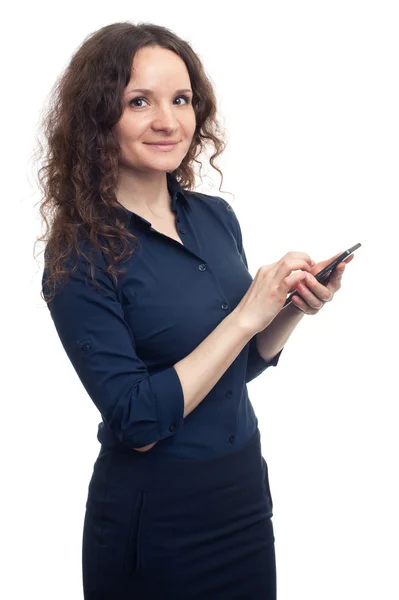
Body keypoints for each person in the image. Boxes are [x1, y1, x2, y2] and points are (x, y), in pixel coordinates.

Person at [37, 21, 352, 600]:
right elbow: (136, 422)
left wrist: (288, 311)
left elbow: (235, 369)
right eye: (139, 102)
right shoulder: (79, 255)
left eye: (181, 99)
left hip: (241, 504)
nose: (169, 121)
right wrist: (245, 317)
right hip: (153, 524)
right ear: (98, 117)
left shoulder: (213, 217)